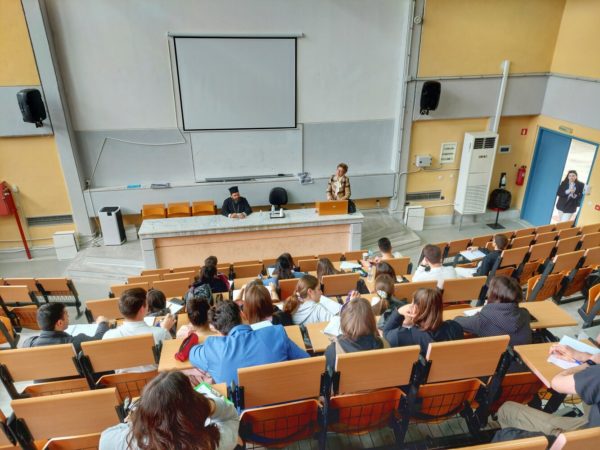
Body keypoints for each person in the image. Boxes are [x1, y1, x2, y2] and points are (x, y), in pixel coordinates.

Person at [99, 370, 239, 450]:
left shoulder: (109, 440)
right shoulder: (212, 444)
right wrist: (208, 405)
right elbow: (231, 417)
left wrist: (135, 421)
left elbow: (118, 430)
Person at [189, 301, 309, 385]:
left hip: (241, 414)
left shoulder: (213, 348)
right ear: (242, 315)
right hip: (288, 408)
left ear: (217, 330)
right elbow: (307, 362)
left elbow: (192, 352)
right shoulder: (276, 333)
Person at [496, 340, 600, 436]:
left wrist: (590, 363)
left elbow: (557, 383)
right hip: (593, 429)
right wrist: (586, 356)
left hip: (579, 438)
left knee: (506, 410)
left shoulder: (596, 374)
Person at [103, 288, 174, 372]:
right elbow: (172, 360)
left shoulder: (108, 336)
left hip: (123, 380)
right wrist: (164, 330)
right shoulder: (161, 333)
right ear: (142, 309)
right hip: (157, 379)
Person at [454, 275, 531, 346]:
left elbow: (456, 321)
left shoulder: (482, 320)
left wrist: (477, 316)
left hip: (496, 356)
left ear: (493, 295)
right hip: (522, 355)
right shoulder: (525, 314)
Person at [383, 288, 463, 354]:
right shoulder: (455, 328)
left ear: (415, 309)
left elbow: (386, 335)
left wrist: (399, 312)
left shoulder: (401, 336)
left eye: (412, 303)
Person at [325, 297, 387, 372]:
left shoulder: (333, 351)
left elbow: (327, 376)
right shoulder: (385, 345)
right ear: (372, 321)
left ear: (344, 321)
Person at [23, 302, 109, 353]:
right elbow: (99, 339)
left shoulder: (28, 344)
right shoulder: (75, 343)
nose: (68, 316)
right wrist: (103, 323)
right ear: (59, 323)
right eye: (66, 314)